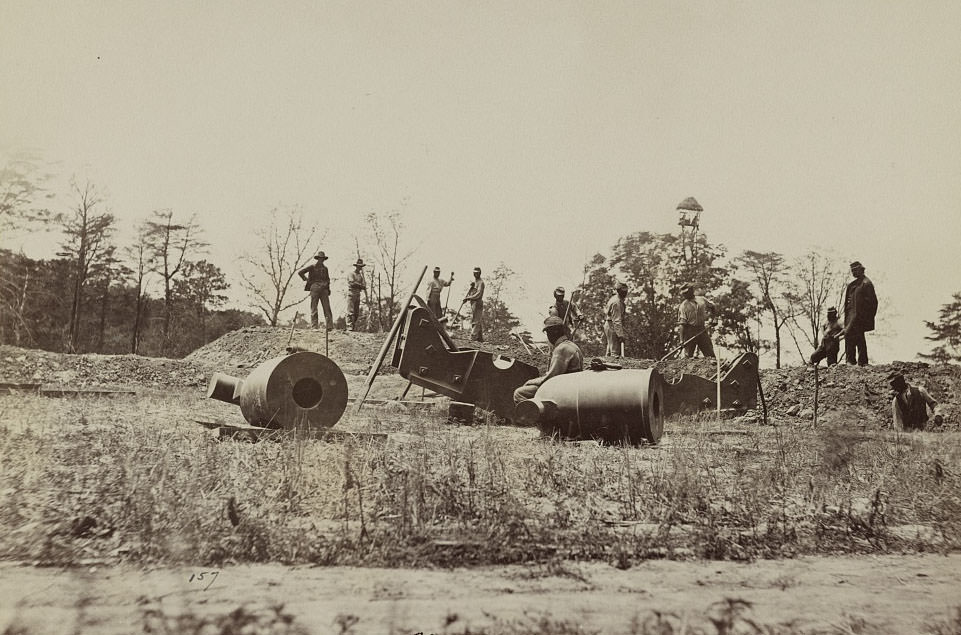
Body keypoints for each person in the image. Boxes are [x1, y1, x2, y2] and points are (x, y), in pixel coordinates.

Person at [513, 316, 584, 405]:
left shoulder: (561, 349)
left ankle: (538, 418)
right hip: (573, 387)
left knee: (520, 393)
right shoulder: (573, 346)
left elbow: (551, 378)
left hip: (563, 390)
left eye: (547, 333)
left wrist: (530, 382)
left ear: (553, 332)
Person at [839, 260, 878, 366]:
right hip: (850, 317)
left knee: (859, 338)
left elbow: (873, 303)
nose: (854, 273)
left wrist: (866, 317)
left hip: (860, 317)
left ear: (861, 270)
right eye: (852, 271)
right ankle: (850, 361)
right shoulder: (852, 285)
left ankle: (862, 362)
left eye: (856, 270)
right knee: (849, 336)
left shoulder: (867, 284)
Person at [676, 284, 715, 358]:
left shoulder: (702, 299)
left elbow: (712, 307)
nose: (685, 295)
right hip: (690, 331)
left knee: (710, 354)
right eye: (683, 294)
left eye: (686, 293)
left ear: (691, 290)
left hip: (702, 330)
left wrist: (713, 319)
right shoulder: (683, 306)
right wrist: (681, 340)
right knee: (687, 357)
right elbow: (682, 324)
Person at [297, 251, 333, 329]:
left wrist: (328, 289)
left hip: (324, 289)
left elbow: (328, 279)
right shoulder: (312, 267)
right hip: (315, 288)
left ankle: (330, 326)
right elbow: (300, 272)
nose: (321, 260)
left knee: (327, 307)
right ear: (317, 259)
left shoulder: (325, 268)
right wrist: (306, 280)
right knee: (314, 307)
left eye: (322, 259)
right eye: (320, 258)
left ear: (324, 259)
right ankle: (314, 326)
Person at [604, 282, 628, 357]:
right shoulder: (616, 302)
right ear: (618, 291)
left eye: (626, 291)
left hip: (611, 325)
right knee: (615, 352)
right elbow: (616, 320)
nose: (625, 293)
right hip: (612, 326)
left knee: (610, 349)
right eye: (622, 291)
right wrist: (620, 335)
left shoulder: (617, 299)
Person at [464, 266, 485, 341]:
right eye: (474, 273)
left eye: (477, 273)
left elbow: (478, 294)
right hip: (473, 303)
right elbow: (473, 292)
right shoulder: (475, 282)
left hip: (478, 302)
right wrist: (471, 289)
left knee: (476, 320)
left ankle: (473, 337)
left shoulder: (481, 283)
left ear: (480, 273)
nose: (475, 274)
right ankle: (480, 338)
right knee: (476, 318)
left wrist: (469, 298)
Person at [346, 258, 366, 331]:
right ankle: (349, 326)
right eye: (359, 266)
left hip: (358, 294)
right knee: (350, 311)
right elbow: (352, 283)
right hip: (351, 293)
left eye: (361, 266)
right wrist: (360, 285)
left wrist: (359, 285)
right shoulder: (351, 274)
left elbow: (364, 286)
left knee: (356, 312)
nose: (360, 268)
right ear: (356, 266)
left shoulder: (360, 276)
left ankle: (353, 326)